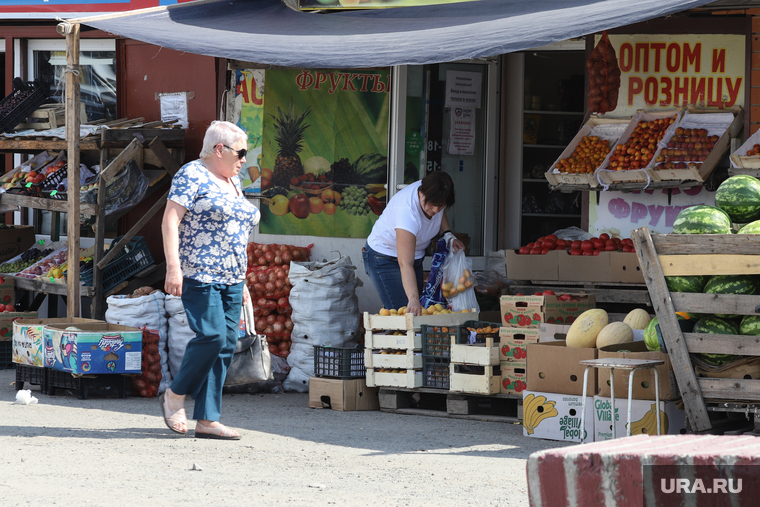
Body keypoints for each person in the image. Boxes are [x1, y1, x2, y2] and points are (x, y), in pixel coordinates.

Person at [160, 120, 260, 440]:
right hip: (200, 271)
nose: (244, 158)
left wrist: (242, 279)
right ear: (220, 150)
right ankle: (176, 395)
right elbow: (170, 221)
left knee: (227, 343)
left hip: (232, 274)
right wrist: (173, 268)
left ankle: (207, 418)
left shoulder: (233, 181)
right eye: (241, 152)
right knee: (213, 336)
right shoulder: (192, 174)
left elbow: (235, 232)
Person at [363, 171, 464, 316]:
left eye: (441, 206)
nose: (435, 211)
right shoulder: (407, 212)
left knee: (417, 314)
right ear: (421, 193)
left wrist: (448, 235)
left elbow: (439, 213)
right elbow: (405, 263)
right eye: (432, 205)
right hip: (384, 257)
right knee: (405, 314)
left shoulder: (434, 191)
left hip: (415, 258)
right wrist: (413, 298)